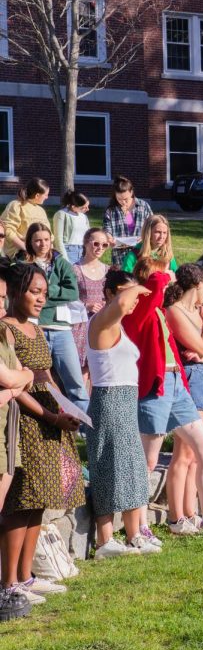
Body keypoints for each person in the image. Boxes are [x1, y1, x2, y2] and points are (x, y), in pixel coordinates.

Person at [124, 257, 203, 536]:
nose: (169, 277)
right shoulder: (140, 309)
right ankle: (140, 527)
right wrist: (164, 277)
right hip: (156, 387)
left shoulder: (160, 310)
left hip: (177, 383)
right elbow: (155, 289)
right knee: (148, 460)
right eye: (163, 275)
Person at [0, 263, 83, 608]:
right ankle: (9, 582)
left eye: (44, 293)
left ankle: (26, 577)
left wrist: (65, 409)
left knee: (40, 503)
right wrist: (48, 413)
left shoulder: (34, 329)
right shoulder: (6, 329)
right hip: (27, 422)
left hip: (52, 421)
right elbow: (16, 385)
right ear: (17, 291)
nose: (39, 298)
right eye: (34, 291)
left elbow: (45, 376)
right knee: (21, 502)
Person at [86, 271, 159, 557]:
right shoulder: (103, 319)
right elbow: (121, 302)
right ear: (110, 293)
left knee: (131, 468)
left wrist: (134, 290)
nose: (135, 300)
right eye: (129, 294)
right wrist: (140, 284)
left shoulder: (117, 323)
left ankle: (134, 535)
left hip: (125, 400)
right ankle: (105, 541)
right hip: (109, 400)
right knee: (108, 467)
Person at [163, 264, 203, 535]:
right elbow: (201, 345)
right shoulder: (175, 312)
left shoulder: (201, 311)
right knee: (185, 453)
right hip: (189, 379)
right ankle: (178, 515)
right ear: (197, 285)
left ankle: (195, 512)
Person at [0, 266, 39, 621]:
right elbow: (12, 376)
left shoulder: (6, 332)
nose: (1, 305)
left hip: (6, 428)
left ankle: (18, 582)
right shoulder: (7, 330)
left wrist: (17, 383)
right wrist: (20, 381)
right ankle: (7, 584)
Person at [22, 223, 89, 414]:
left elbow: (73, 293)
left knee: (75, 382)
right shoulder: (23, 264)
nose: (42, 244)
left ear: (51, 239)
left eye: (45, 239)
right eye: (37, 240)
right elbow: (23, 295)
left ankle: (85, 428)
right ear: (30, 242)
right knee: (35, 380)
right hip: (34, 328)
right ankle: (41, 419)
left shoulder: (61, 263)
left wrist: (42, 292)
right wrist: (52, 294)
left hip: (61, 330)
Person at [72, 228, 111, 388]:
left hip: (102, 325)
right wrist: (87, 305)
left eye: (104, 245)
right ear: (86, 243)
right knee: (81, 372)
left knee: (99, 372)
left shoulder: (108, 270)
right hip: (81, 325)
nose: (99, 248)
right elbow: (68, 300)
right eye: (96, 243)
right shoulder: (74, 269)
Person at [104, 175, 153, 268]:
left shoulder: (143, 206)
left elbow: (152, 225)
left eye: (125, 199)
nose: (123, 202)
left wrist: (144, 236)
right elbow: (107, 229)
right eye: (119, 199)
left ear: (131, 192)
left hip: (141, 253)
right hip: (120, 256)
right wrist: (109, 238)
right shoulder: (111, 210)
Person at [1, 178, 50, 259]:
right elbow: (7, 229)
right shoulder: (17, 205)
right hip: (20, 254)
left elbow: (49, 234)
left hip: (40, 253)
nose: (47, 197)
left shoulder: (41, 211)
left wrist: (50, 250)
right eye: (46, 195)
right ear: (37, 195)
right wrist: (25, 248)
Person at [51, 191, 92, 263]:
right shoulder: (61, 214)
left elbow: (88, 235)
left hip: (83, 251)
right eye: (84, 207)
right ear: (73, 206)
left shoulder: (84, 216)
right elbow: (58, 239)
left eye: (88, 206)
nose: (87, 209)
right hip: (68, 251)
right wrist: (64, 258)